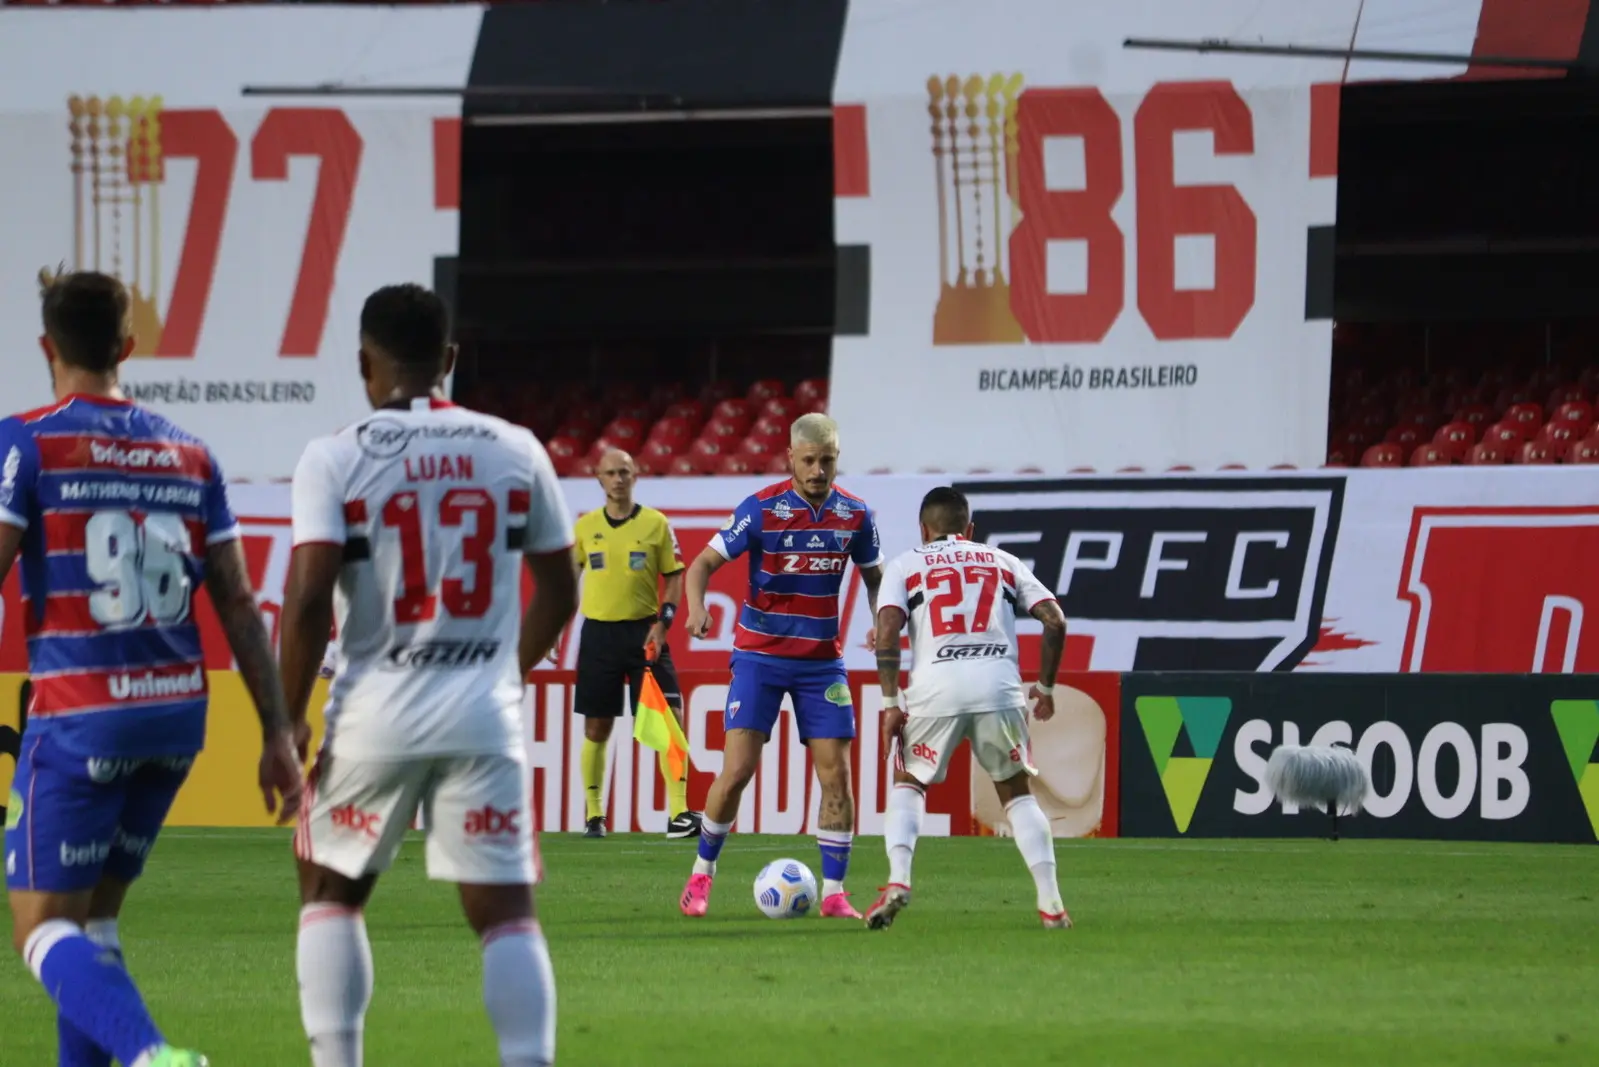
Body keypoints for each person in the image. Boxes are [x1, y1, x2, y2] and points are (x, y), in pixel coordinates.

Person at [1, 269, 304, 1067]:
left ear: (46, 347)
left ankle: (152, 1057)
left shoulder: (28, 440)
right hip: (176, 717)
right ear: (128, 346)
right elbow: (238, 602)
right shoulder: (190, 451)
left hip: (78, 711)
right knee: (94, 924)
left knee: (40, 929)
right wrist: (277, 731)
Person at [279, 284, 577, 1067]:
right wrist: (503, 674)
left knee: (331, 890)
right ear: (449, 359)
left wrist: (286, 721)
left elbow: (308, 598)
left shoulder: (334, 455)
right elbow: (562, 588)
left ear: (363, 363)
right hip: (482, 712)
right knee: (506, 912)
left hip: (373, 712)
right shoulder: (513, 446)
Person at [679, 413, 883, 919]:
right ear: (790, 457)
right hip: (759, 658)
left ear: (837, 459)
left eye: (827, 461)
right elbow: (701, 564)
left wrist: (882, 619)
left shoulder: (856, 515)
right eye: (809, 460)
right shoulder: (761, 509)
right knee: (738, 771)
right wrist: (697, 607)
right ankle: (701, 876)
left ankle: (834, 893)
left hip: (821, 664)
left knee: (837, 777)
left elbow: (875, 575)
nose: (818, 470)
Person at [867, 486, 1071, 930]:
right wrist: (1047, 685)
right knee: (1016, 795)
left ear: (924, 529)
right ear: (970, 529)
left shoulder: (906, 563)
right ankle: (1051, 903)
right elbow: (1055, 620)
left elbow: (886, 630)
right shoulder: (1002, 561)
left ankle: (898, 880)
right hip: (998, 687)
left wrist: (889, 704)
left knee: (909, 783)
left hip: (935, 690)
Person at [570, 448, 701, 839]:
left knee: (671, 720)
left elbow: (674, 577)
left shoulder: (656, 524)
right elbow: (567, 581)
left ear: (636, 475)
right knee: (597, 727)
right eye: (610, 472)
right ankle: (594, 814)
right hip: (598, 634)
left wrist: (663, 624)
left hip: (644, 633)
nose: (618, 479)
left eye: (624, 472)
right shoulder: (584, 526)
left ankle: (679, 813)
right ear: (599, 478)